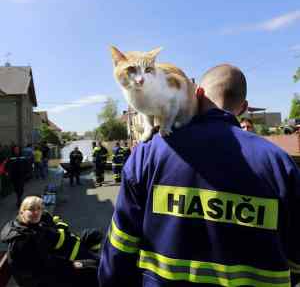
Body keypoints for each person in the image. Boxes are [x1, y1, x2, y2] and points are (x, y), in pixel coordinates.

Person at [98, 64, 300, 286]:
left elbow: (120, 248)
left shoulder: (149, 154)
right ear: (243, 108)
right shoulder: (280, 164)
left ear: (199, 93)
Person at [0, 196, 101, 287]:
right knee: (91, 270)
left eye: (39, 208)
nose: (36, 212)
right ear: (22, 212)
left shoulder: (30, 225)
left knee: (94, 262)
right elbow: (45, 267)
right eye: (31, 209)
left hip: (54, 266)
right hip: (43, 279)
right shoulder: (23, 239)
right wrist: (75, 264)